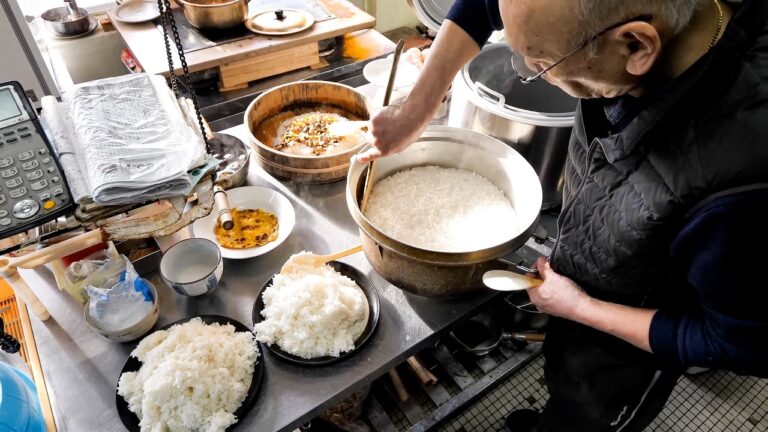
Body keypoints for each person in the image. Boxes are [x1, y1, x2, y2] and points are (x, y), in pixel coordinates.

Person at [358, 0, 768, 431]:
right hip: (589, 279)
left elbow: (740, 343)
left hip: (625, 356)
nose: (524, 69)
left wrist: (582, 308)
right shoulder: (620, 43)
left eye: (540, 64)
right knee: (560, 384)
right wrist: (415, 110)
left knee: (585, 415)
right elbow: (487, 5)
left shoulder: (740, 187)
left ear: (636, 45)